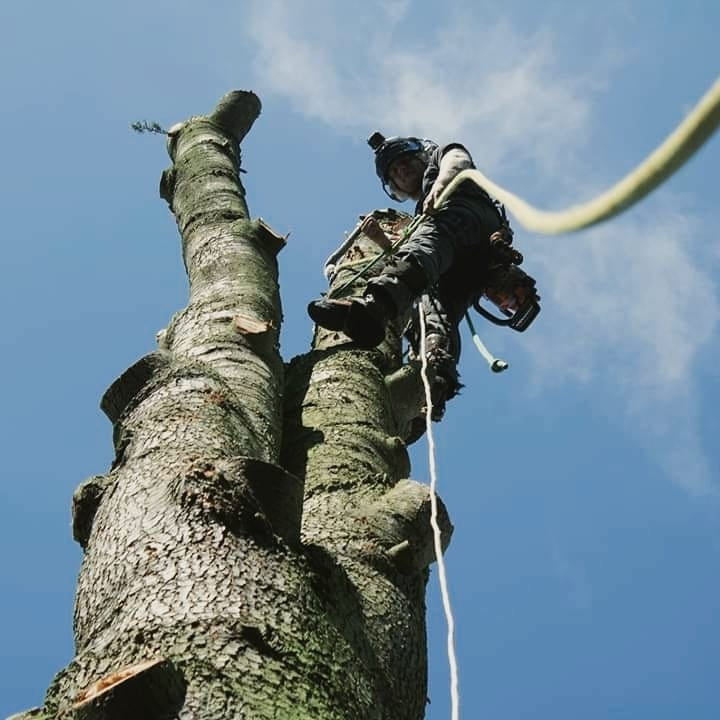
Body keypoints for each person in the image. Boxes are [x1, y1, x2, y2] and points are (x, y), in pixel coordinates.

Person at [308, 133, 532, 417]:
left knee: (429, 243)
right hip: (465, 263)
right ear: (393, 186)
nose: (402, 171)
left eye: (405, 162)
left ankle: (374, 309)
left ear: (420, 157)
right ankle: (434, 382)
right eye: (395, 172)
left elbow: (458, 160)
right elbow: (408, 260)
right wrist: (380, 239)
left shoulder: (440, 163)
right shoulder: (421, 216)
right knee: (436, 307)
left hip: (467, 220)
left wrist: (440, 186)